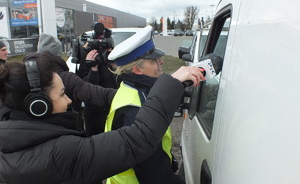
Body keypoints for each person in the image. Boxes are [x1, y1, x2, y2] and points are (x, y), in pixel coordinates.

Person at [0, 51, 203, 183]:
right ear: (38, 106)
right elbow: (136, 140)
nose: (70, 100)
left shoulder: (11, 142)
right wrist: (171, 82)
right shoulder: (59, 154)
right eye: (62, 94)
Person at [104, 26, 205, 184]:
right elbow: (155, 174)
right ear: (137, 69)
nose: (162, 61)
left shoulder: (132, 88)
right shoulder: (134, 110)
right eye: (154, 60)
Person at [24, 33, 117, 130]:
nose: (68, 100)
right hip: (67, 129)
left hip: (32, 130)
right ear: (57, 56)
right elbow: (90, 92)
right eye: (62, 94)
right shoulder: (65, 77)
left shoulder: (22, 75)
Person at [77, 23, 119, 135]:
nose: (105, 50)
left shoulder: (116, 59)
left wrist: (113, 65)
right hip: (94, 110)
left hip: (113, 105)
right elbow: (86, 88)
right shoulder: (88, 58)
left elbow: (121, 81)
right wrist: (93, 69)